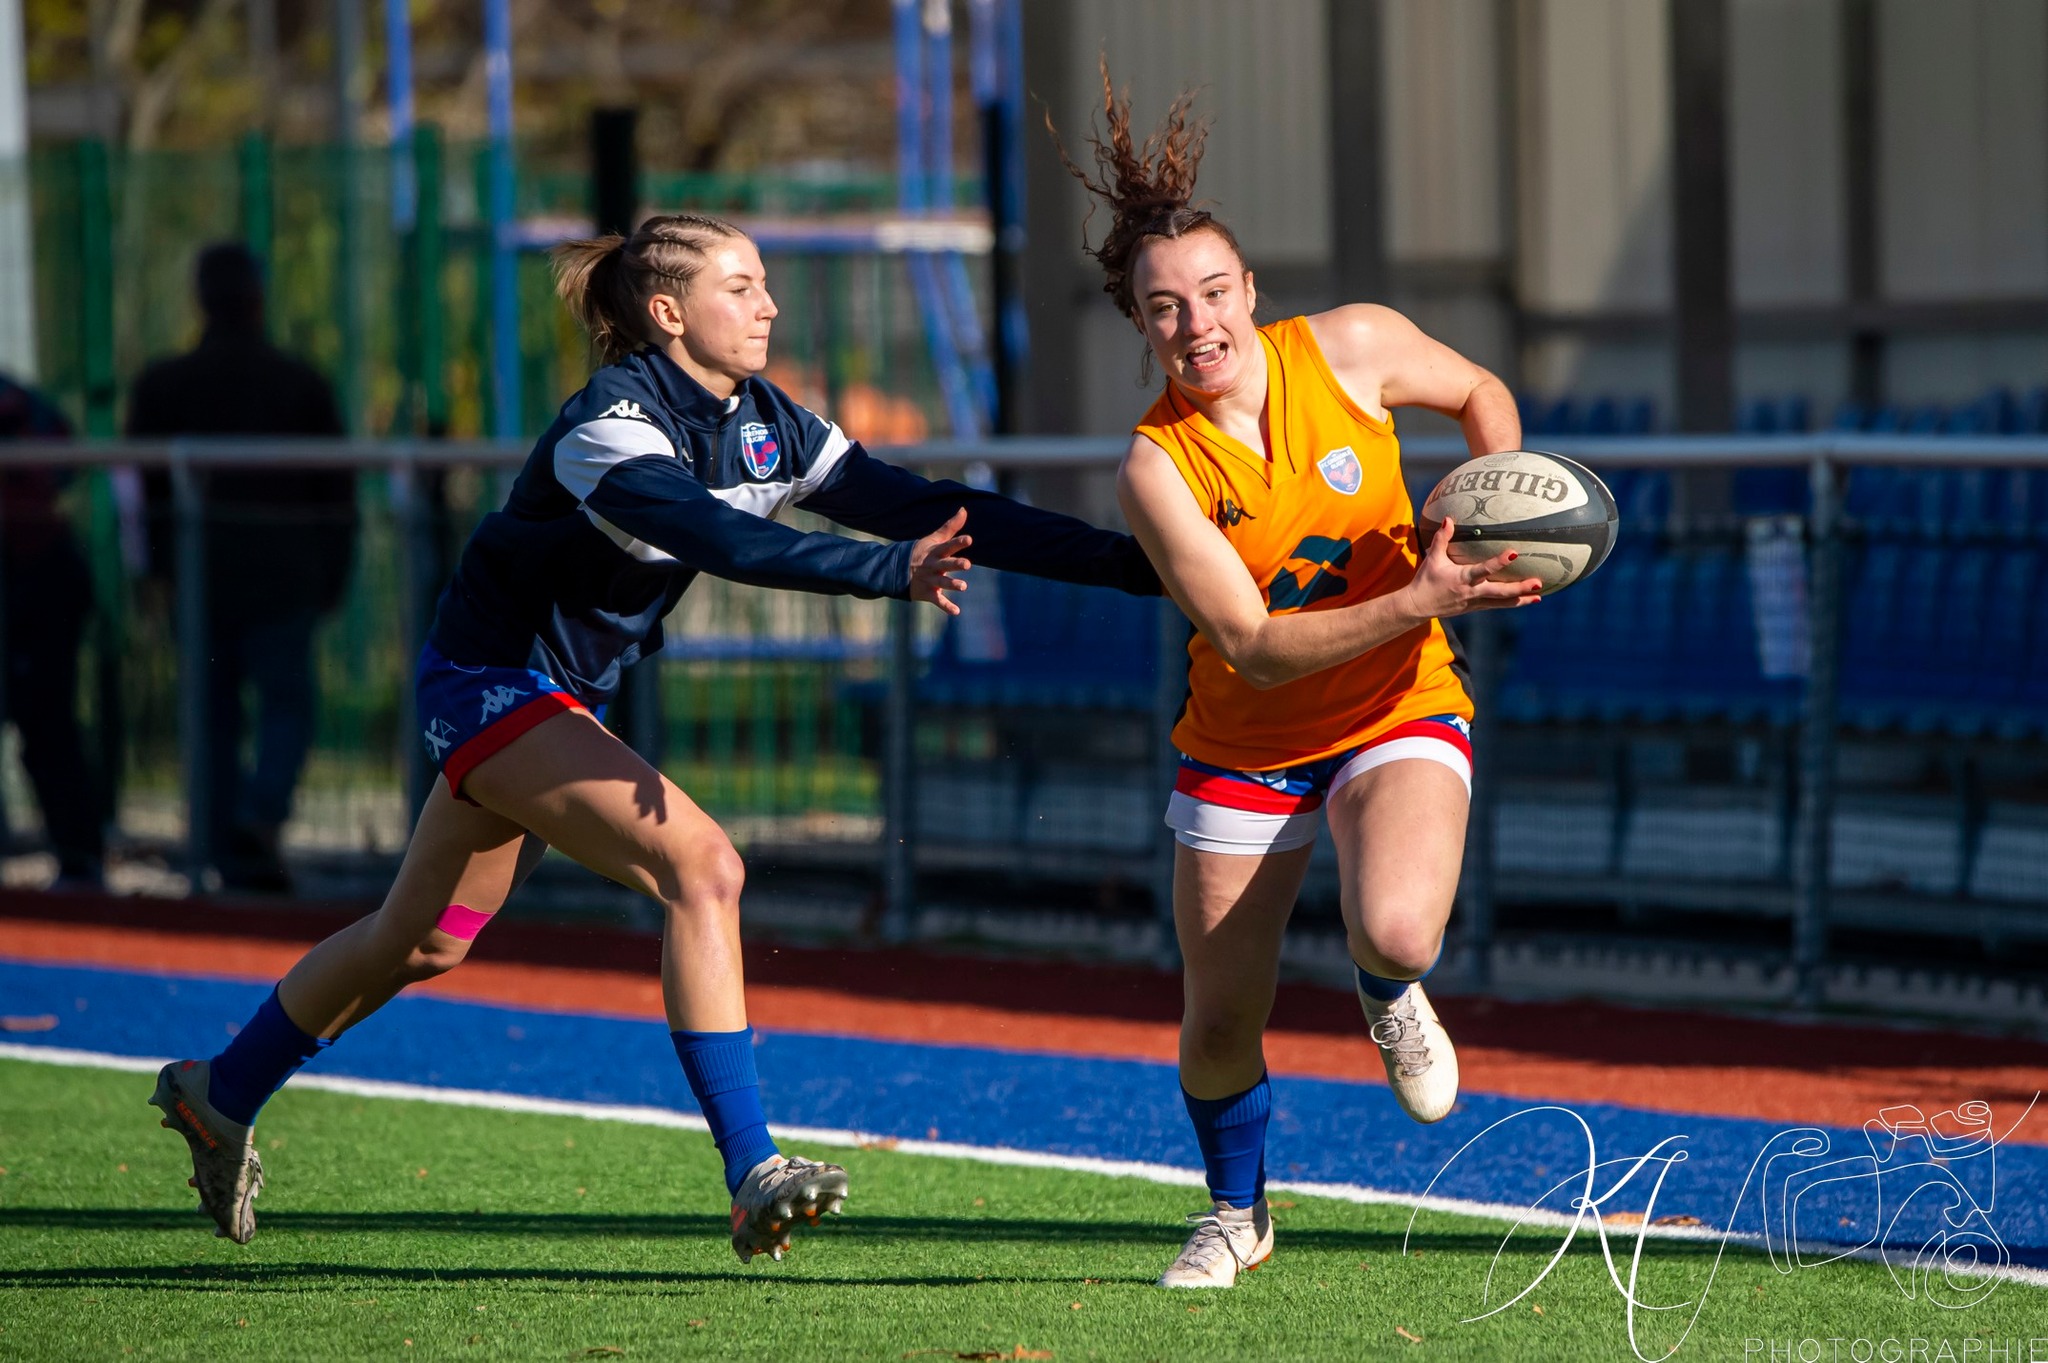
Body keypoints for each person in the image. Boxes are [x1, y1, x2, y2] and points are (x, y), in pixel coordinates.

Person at [148, 213, 1160, 1262]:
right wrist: (882, 574)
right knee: (703, 867)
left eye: (765, 282)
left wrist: (1140, 566)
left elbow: (937, 507)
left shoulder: (767, 420)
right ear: (668, 311)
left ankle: (219, 1092)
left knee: (423, 940)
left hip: (556, 700)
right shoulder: (610, 423)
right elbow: (721, 538)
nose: (767, 304)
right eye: (741, 286)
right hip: (488, 684)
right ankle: (752, 1169)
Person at [1051, 76, 1543, 1288]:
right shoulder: (1153, 470)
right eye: (1165, 309)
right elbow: (1256, 645)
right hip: (1245, 739)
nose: (1197, 323)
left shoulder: (1353, 346)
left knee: (1395, 925)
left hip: (1396, 701)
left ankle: (1386, 988)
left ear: (1250, 290)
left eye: (1214, 293)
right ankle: (1236, 1211)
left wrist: (1498, 496)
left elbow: (1482, 391)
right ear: (1139, 326)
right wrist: (1420, 595)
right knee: (1220, 1019)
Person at [128, 243, 357, 893]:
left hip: (202, 581)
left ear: (200, 300)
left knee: (212, 714)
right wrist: (331, 572)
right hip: (280, 581)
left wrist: (154, 572)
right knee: (283, 706)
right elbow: (336, 495)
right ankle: (253, 824)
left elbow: (145, 495)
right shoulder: (298, 382)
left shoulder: (165, 384)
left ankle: (227, 844)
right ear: (258, 298)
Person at [0, 373, 107, 888]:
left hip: (37, 576)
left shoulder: (23, 405)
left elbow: (61, 466)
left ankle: (79, 854)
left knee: (46, 725)